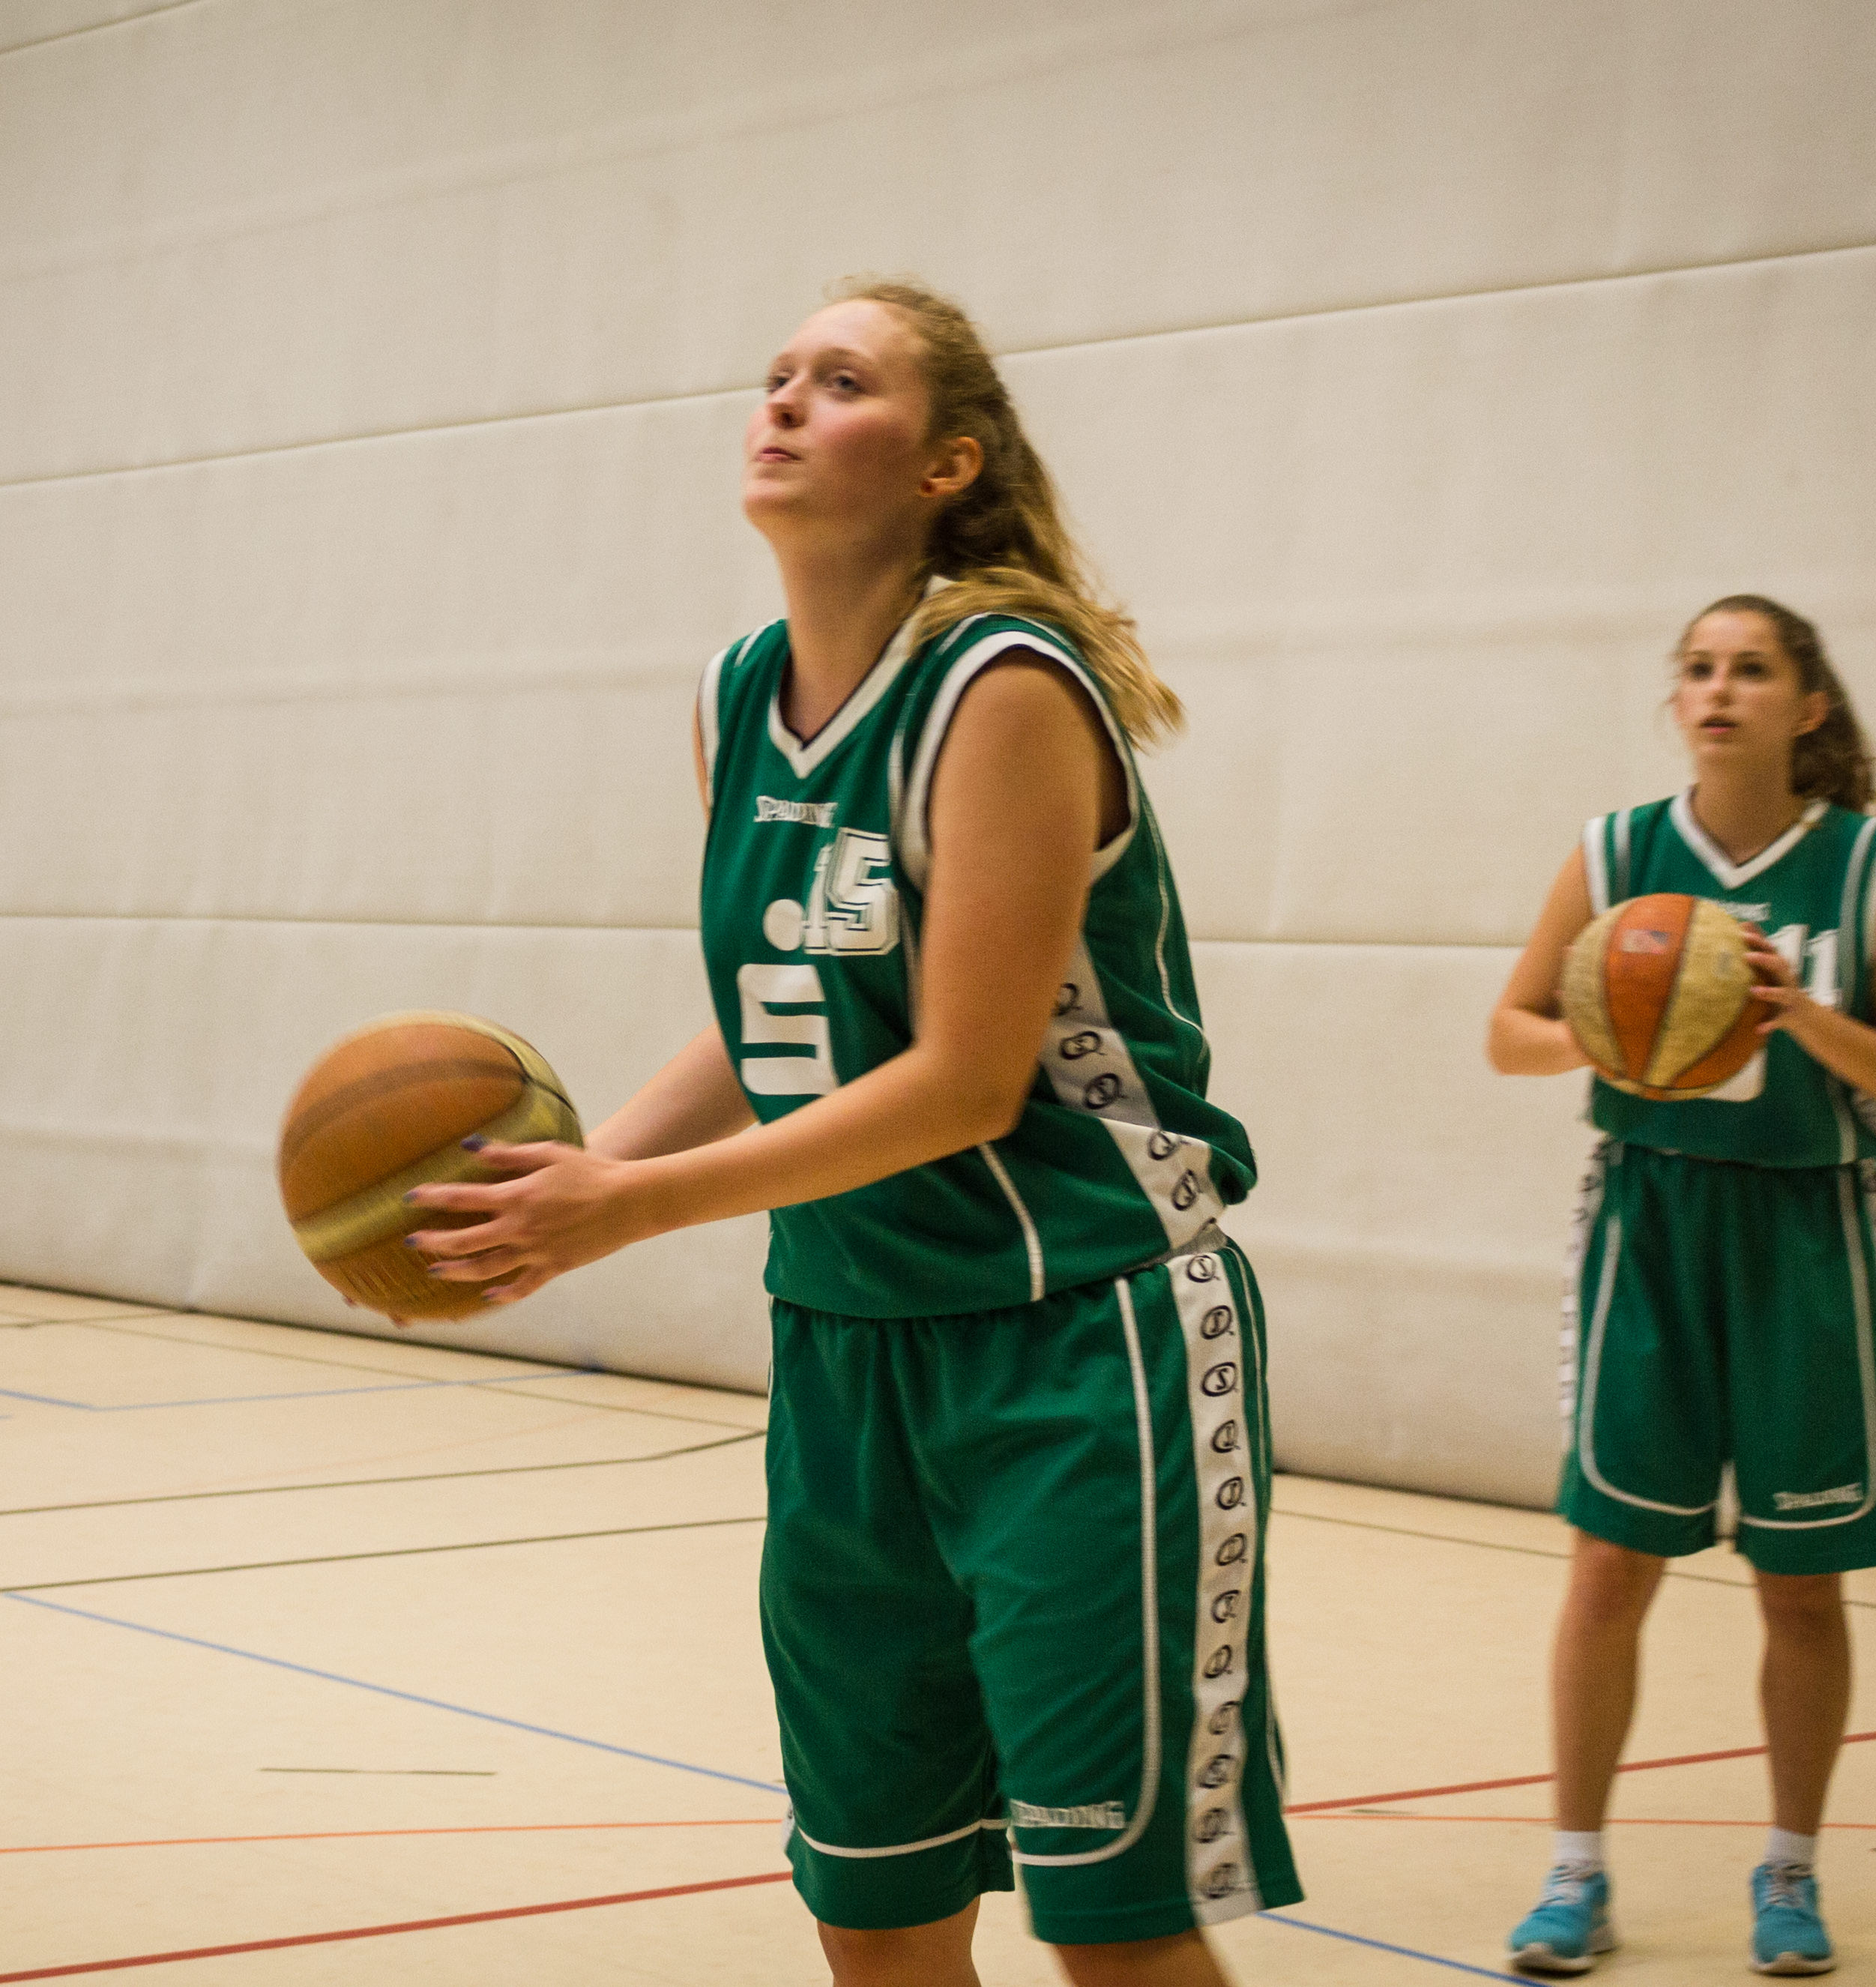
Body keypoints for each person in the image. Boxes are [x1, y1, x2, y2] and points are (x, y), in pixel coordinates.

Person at [407, 282, 1298, 1987]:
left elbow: (964, 1077)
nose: (786, 402)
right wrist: (560, 1184)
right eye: (776, 376)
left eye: (841, 380)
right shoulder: (736, 697)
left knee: (1113, 1932)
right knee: (876, 1916)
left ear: (947, 461)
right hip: (845, 1352)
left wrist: (629, 1206)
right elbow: (783, 1013)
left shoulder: (1003, 689)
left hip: (1081, 1344)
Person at [1484, 597, 1876, 1977]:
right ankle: (1575, 1872)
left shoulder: (1871, 865)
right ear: (1676, 700)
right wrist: (1613, 1032)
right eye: (1697, 669)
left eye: (1751, 669)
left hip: (1807, 1232)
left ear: (1809, 705)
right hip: (1652, 1219)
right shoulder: (1618, 852)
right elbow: (1509, 1031)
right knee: (1609, 1561)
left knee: (1800, 1581)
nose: (1719, 689)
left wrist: (1792, 1011)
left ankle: (1789, 1872)